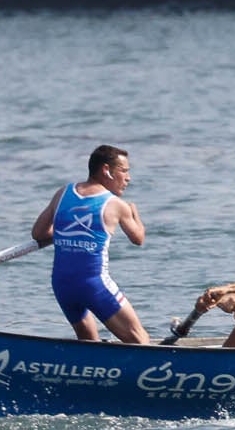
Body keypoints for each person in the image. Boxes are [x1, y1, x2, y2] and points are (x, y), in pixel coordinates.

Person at [31, 144, 149, 344]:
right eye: (124, 171)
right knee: (140, 340)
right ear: (106, 170)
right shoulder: (116, 205)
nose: (128, 178)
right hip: (94, 285)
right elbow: (138, 238)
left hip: (62, 284)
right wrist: (134, 212)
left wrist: (66, 235)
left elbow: (39, 233)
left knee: (88, 344)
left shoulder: (62, 193)